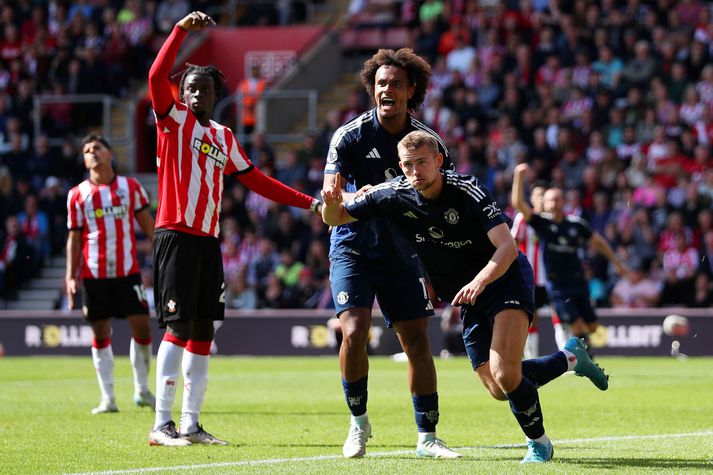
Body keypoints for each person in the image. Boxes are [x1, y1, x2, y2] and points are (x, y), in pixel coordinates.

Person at [322, 131, 609, 463]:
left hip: (504, 280)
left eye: (423, 163)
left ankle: (540, 444)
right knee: (499, 389)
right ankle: (570, 357)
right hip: (468, 297)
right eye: (409, 165)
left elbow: (507, 246)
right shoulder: (393, 193)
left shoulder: (467, 189)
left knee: (505, 373)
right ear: (400, 167)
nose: (416, 171)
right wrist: (331, 205)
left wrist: (479, 281)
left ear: (439, 161)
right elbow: (335, 218)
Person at [147, 11, 322, 446]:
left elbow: (257, 181)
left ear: (215, 94)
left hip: (207, 241)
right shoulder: (171, 122)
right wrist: (180, 32)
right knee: (180, 327)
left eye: (203, 89)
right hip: (175, 235)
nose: (195, 94)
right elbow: (154, 77)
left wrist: (311, 203)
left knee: (204, 330)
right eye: (189, 88)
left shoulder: (224, 137)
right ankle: (161, 424)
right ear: (182, 94)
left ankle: (190, 423)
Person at [323, 48, 460, 459]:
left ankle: (428, 437)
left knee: (417, 341)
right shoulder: (348, 137)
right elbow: (331, 210)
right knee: (353, 332)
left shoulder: (426, 142)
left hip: (404, 253)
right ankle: (358, 423)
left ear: (410, 90)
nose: (388, 90)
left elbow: (441, 198)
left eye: (396, 84)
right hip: (353, 248)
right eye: (382, 83)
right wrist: (344, 196)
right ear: (372, 88)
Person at [65, 134, 156, 415]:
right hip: (94, 274)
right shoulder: (77, 194)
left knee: (142, 328)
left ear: (110, 154)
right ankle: (108, 398)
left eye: (97, 148)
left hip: (128, 272)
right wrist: (71, 276)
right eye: (87, 150)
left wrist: (164, 257)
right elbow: (75, 238)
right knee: (100, 330)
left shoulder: (130, 187)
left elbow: (149, 227)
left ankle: (142, 390)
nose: (92, 153)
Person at [512, 163, 630, 346]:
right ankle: (579, 358)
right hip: (557, 284)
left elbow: (598, 242)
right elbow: (519, 204)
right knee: (574, 323)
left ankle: (584, 352)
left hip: (578, 280)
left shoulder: (576, 225)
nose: (553, 203)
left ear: (563, 201)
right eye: (549, 200)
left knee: (592, 326)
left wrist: (616, 262)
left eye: (556, 199)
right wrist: (519, 177)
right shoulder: (542, 224)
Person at [237, 63, 267, 136]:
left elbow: (266, 98)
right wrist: (246, 106)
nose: (255, 72)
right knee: (246, 139)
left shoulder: (263, 83)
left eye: (256, 70)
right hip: (246, 117)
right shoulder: (244, 83)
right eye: (253, 70)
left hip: (259, 118)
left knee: (258, 137)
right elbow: (238, 98)